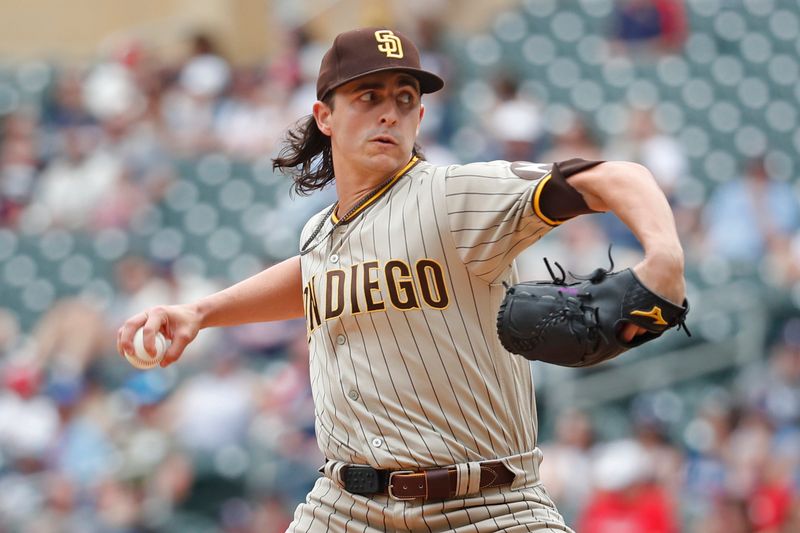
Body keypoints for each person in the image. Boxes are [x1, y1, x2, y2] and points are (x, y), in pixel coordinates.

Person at [117, 27, 686, 532]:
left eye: (405, 99)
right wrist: (201, 312)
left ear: (420, 118)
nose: (390, 112)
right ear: (324, 116)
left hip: (487, 507)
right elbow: (314, 276)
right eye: (369, 97)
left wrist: (663, 257)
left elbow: (615, 176)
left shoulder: (455, 195)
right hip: (344, 509)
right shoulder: (320, 231)